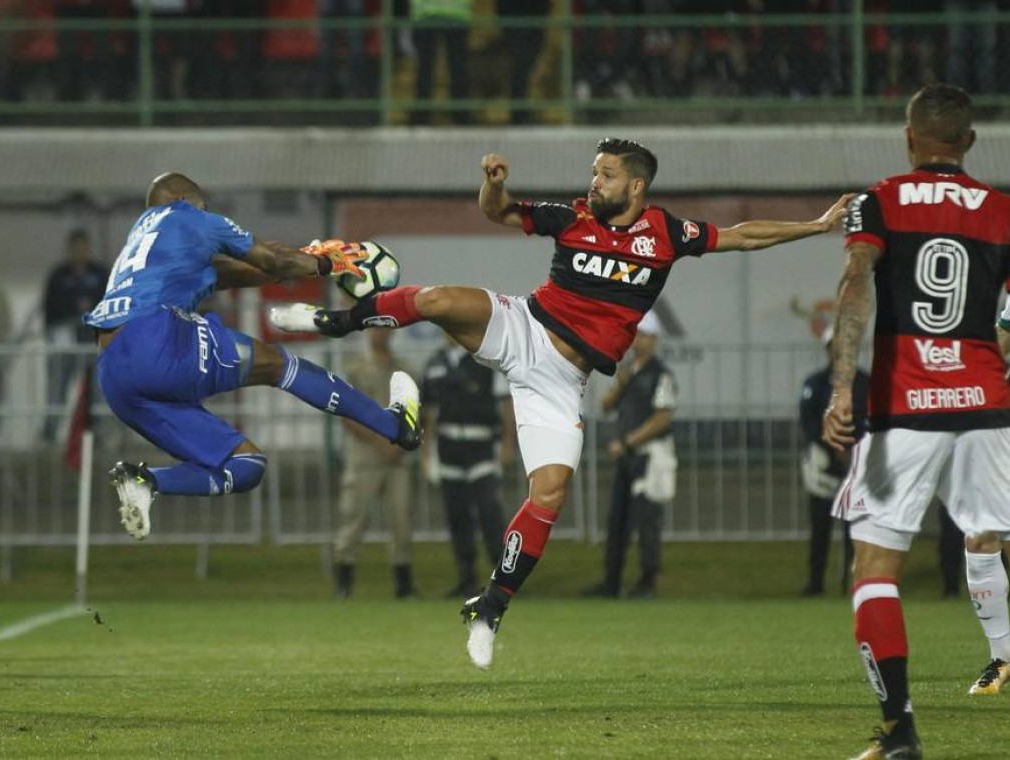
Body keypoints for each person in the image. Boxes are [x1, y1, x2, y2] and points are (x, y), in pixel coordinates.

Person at [271, 138, 851, 669]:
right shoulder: (572, 216)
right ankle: (333, 320)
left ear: (636, 186)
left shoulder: (666, 234)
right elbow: (497, 211)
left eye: (605, 175)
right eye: (594, 172)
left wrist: (819, 224)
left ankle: (491, 605)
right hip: (523, 327)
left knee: (548, 492)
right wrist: (495, 183)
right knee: (439, 298)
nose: (594, 182)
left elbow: (744, 235)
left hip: (558, 381)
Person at [822, 83, 1010, 759]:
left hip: (902, 407)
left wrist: (841, 387)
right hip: (985, 402)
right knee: (990, 536)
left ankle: (898, 729)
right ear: (967, 141)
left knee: (873, 566)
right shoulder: (1000, 211)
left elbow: (854, 286)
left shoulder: (880, 200)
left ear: (908, 137)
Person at [85, 172, 422, 541]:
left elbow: (234, 272)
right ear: (190, 199)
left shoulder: (142, 239)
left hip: (114, 375)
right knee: (277, 364)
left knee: (247, 466)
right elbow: (272, 260)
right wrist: (334, 263)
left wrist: (306, 256)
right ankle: (395, 426)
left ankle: (144, 481)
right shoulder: (193, 216)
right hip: (156, 340)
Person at [582, 310, 676, 600]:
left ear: (655, 339)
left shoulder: (661, 375)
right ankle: (611, 582)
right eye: (639, 334)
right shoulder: (628, 371)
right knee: (618, 521)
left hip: (649, 456)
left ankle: (647, 582)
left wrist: (627, 441)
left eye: (647, 335)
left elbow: (663, 418)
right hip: (628, 458)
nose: (641, 340)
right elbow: (607, 405)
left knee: (647, 521)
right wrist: (621, 383)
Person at [422, 334, 515, 599]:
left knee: (490, 513)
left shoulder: (484, 360)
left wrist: (508, 444)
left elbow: (505, 403)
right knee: (457, 515)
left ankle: (504, 582)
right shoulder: (434, 363)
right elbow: (429, 411)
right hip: (449, 447)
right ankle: (467, 579)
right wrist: (427, 454)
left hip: (482, 445)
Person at [333, 329, 417, 599]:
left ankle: (403, 585)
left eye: (385, 327)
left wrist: (402, 443)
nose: (380, 333)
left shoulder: (405, 369)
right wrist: (380, 441)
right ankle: (343, 584)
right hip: (364, 456)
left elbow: (416, 412)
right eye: (375, 327)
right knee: (353, 518)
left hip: (397, 459)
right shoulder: (355, 369)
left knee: (401, 519)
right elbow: (347, 414)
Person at [798, 325, 868, 597]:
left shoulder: (865, 382)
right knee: (820, 527)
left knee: (856, 529)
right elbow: (808, 421)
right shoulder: (815, 383)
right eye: (833, 346)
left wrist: (852, 447)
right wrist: (832, 445)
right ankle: (815, 582)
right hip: (823, 463)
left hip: (857, 461)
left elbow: (871, 420)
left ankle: (852, 584)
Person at [42, 228, 108, 441]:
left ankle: (97, 433)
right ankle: (50, 431)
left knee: (97, 389)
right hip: (65, 341)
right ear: (69, 250)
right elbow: (50, 309)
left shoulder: (99, 274)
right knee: (58, 385)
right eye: (75, 248)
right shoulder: (58, 276)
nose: (79, 252)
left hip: (93, 340)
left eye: (83, 248)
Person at [409, 0, 472, 126]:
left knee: (426, 69)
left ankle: (422, 117)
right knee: (456, 69)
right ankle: (461, 117)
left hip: (426, 13)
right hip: (455, 13)